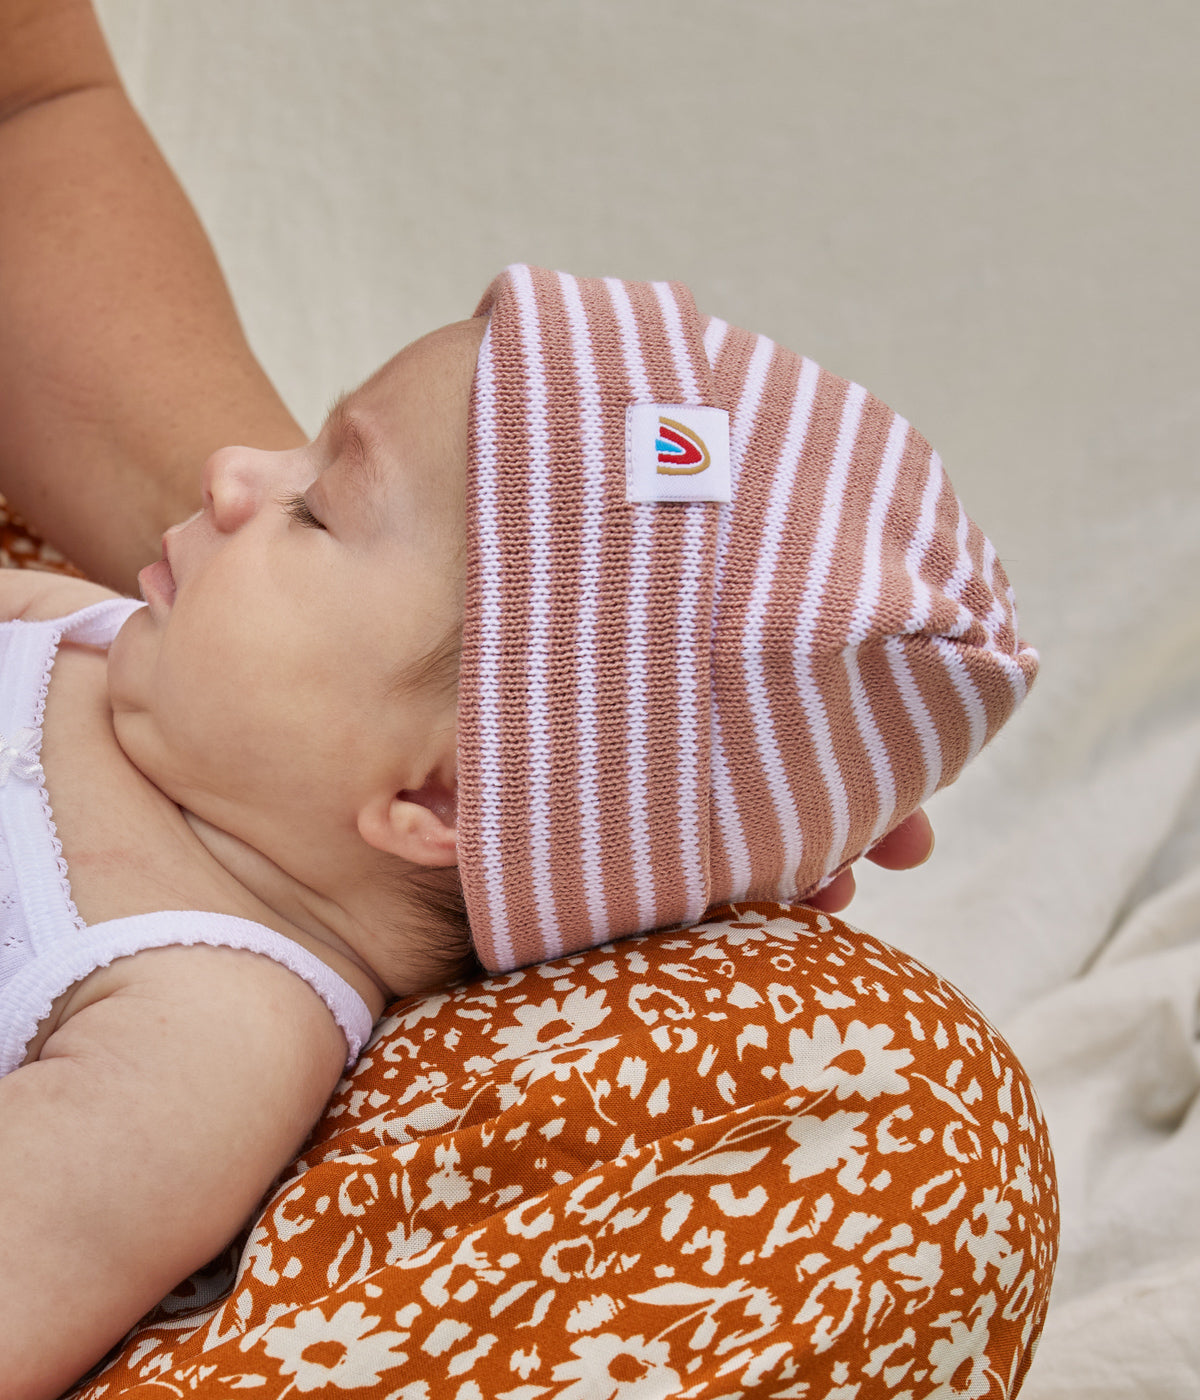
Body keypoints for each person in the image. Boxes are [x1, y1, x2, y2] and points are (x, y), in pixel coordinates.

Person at [0, 4, 1038, 1396]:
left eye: (317, 509)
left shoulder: (207, 1027)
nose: (234, 471)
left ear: (432, 794)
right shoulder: (100, 639)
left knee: (901, 1111)